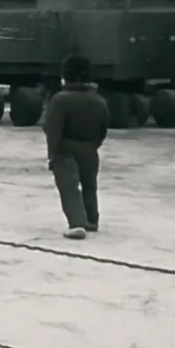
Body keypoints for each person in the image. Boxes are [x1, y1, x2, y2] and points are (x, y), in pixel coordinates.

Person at [43, 54, 110, 240]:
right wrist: (92, 146)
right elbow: (103, 129)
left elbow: (53, 129)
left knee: (69, 187)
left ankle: (77, 223)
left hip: (65, 149)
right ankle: (92, 219)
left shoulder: (60, 99)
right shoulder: (99, 100)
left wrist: (53, 155)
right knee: (89, 185)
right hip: (90, 149)